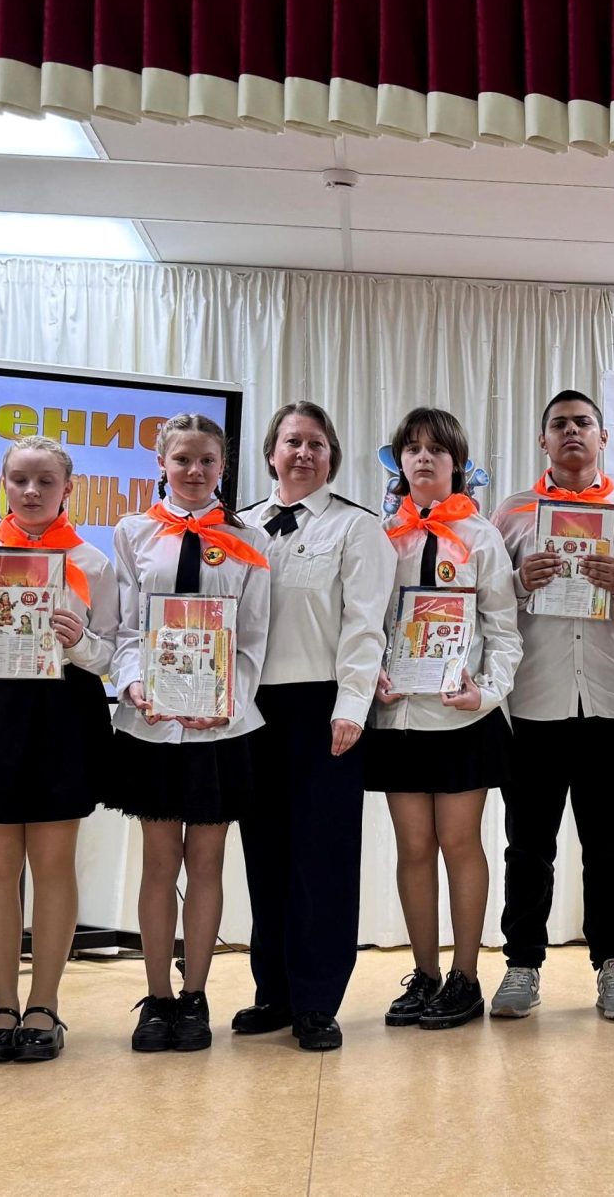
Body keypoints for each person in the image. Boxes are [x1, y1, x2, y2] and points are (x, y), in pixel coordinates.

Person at [0, 435, 115, 1064]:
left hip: (62, 715)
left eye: (45, 481)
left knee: (53, 865)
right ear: (3, 484)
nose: (32, 492)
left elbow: (112, 653)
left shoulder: (91, 562)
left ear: (68, 488)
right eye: (20, 480)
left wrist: (78, 640)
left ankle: (44, 1005)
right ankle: (0, 1007)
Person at [492, 390, 614, 1022]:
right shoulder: (512, 513)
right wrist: (518, 582)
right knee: (527, 845)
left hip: (613, 702)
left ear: (602, 436)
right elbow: (484, 605)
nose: (572, 432)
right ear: (543, 440)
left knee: (609, 847)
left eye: (583, 423)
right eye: (559, 424)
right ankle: (522, 964)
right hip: (534, 703)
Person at [105, 414, 271, 1054]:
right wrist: (132, 685)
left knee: (206, 863)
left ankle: (195, 994)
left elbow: (252, 637)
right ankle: (157, 998)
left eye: (206, 460)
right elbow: (125, 630)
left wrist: (227, 703)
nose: (195, 471)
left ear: (223, 466)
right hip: (151, 726)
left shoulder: (248, 538)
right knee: (157, 863)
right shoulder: (133, 532)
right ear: (161, 464)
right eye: (182, 459)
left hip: (220, 732)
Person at [234, 402, 395, 1053]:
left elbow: (365, 624)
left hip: (324, 708)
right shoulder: (237, 525)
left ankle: (317, 1000)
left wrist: (352, 706)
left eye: (317, 444)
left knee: (322, 858)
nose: (303, 453)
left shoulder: (357, 527)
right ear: (271, 453)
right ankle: (273, 991)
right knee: (265, 853)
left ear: (332, 456)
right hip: (249, 709)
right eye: (292, 442)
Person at [371, 407, 524, 1031]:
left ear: (457, 463)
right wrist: (370, 675)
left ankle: (465, 977)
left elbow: (504, 632)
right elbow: (364, 624)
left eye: (436, 449)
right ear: (400, 461)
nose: (423, 458)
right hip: (400, 716)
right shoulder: (381, 536)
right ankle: (425, 974)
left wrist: (485, 692)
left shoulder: (482, 538)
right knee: (413, 848)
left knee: (460, 845)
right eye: (412, 448)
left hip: (462, 721)